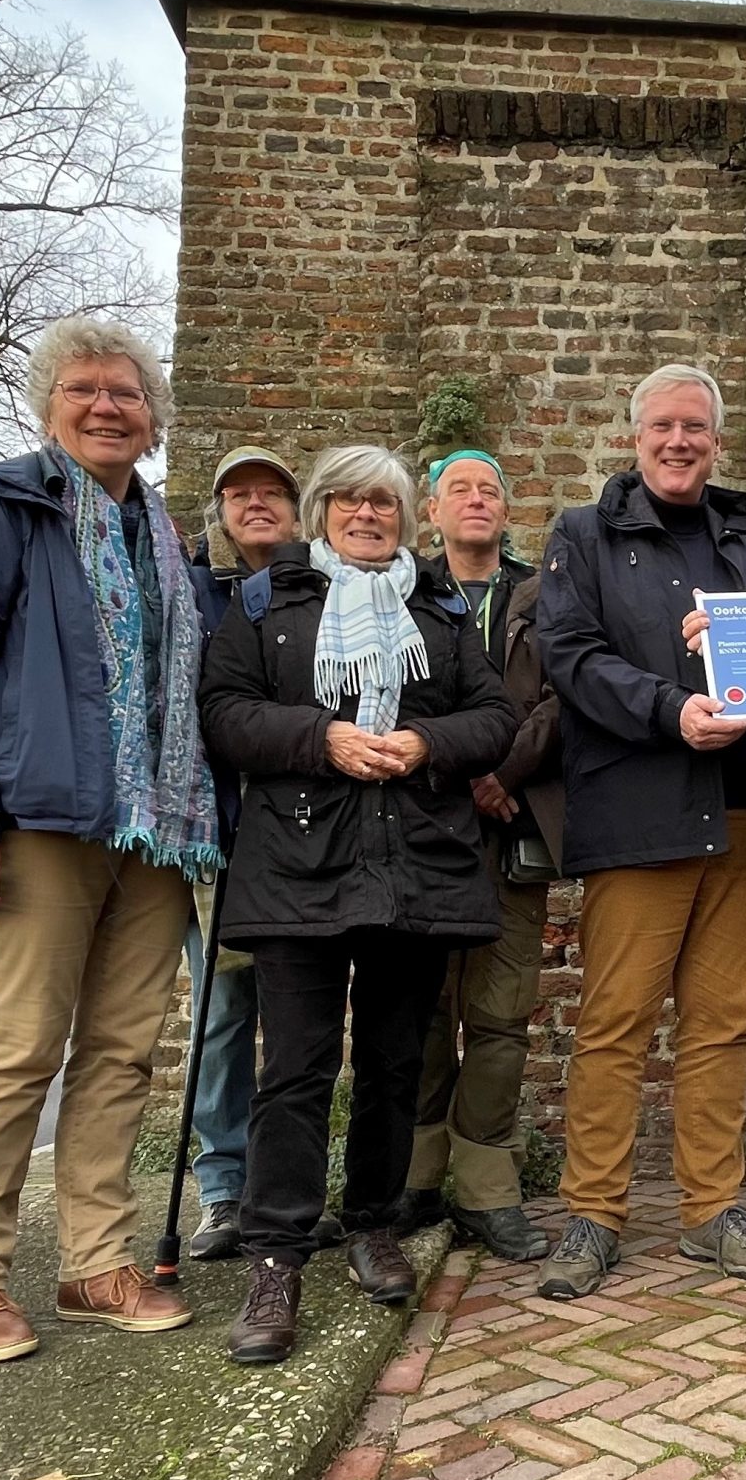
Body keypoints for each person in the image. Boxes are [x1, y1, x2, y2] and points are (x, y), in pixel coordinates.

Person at [0, 316, 221, 1364]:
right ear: (49, 405)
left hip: (160, 830)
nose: (105, 407)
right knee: (18, 1048)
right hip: (43, 817)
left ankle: (95, 1260)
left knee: (124, 1053)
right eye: (83, 389)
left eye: (126, 393)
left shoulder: (170, 539)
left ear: (153, 416)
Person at [200, 445, 517, 1363]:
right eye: (349, 501)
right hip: (298, 863)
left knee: (392, 1061)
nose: (368, 516)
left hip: (414, 862)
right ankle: (277, 1256)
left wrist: (424, 743)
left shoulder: (441, 609)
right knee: (293, 1069)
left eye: (385, 503)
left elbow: (491, 715)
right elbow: (223, 711)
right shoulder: (268, 604)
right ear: (321, 511)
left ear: (406, 516)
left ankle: (373, 1221)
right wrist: (322, 736)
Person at [533, 363, 746, 1299]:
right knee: (615, 1023)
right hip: (643, 811)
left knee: (722, 1025)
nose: (680, 441)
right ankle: (592, 1212)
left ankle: (711, 1208)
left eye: (696, 426)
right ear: (636, 435)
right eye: (664, 427)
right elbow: (568, 656)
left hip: (745, 815)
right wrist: (668, 707)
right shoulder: (584, 535)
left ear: (714, 440)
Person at [400, 449, 564, 1263]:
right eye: (458, 489)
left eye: (489, 489)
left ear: (506, 508)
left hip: (510, 829)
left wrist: (502, 774)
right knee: (422, 1014)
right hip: (421, 830)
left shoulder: (544, 593)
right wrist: (453, 768)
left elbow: (562, 694)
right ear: (431, 510)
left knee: (499, 1018)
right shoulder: (397, 589)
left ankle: (487, 1191)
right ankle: (416, 1180)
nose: (475, 500)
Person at [180, 445, 301, 1263]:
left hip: (304, 839)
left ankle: (289, 1184)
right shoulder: (196, 594)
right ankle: (224, 1188)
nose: (254, 504)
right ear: (219, 511)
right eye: (238, 494)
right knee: (223, 1016)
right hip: (222, 836)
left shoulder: (326, 590)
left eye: (271, 492)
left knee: (304, 1020)